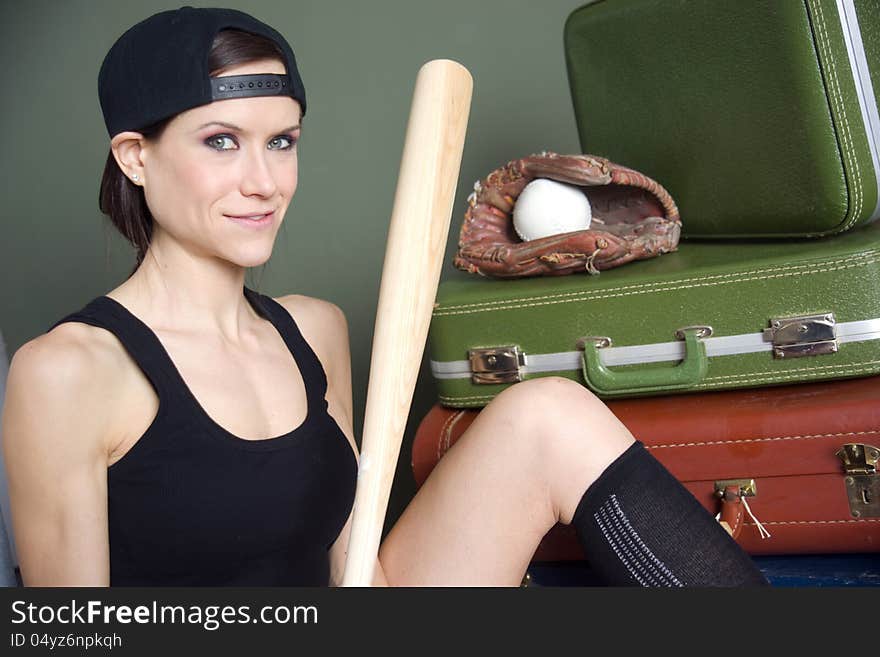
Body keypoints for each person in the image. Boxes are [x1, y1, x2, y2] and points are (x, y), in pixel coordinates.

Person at [0, 6, 767, 587]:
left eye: (283, 140)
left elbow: (355, 570)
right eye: (221, 141)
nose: (264, 181)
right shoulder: (68, 372)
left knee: (548, 415)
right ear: (135, 156)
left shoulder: (311, 330)